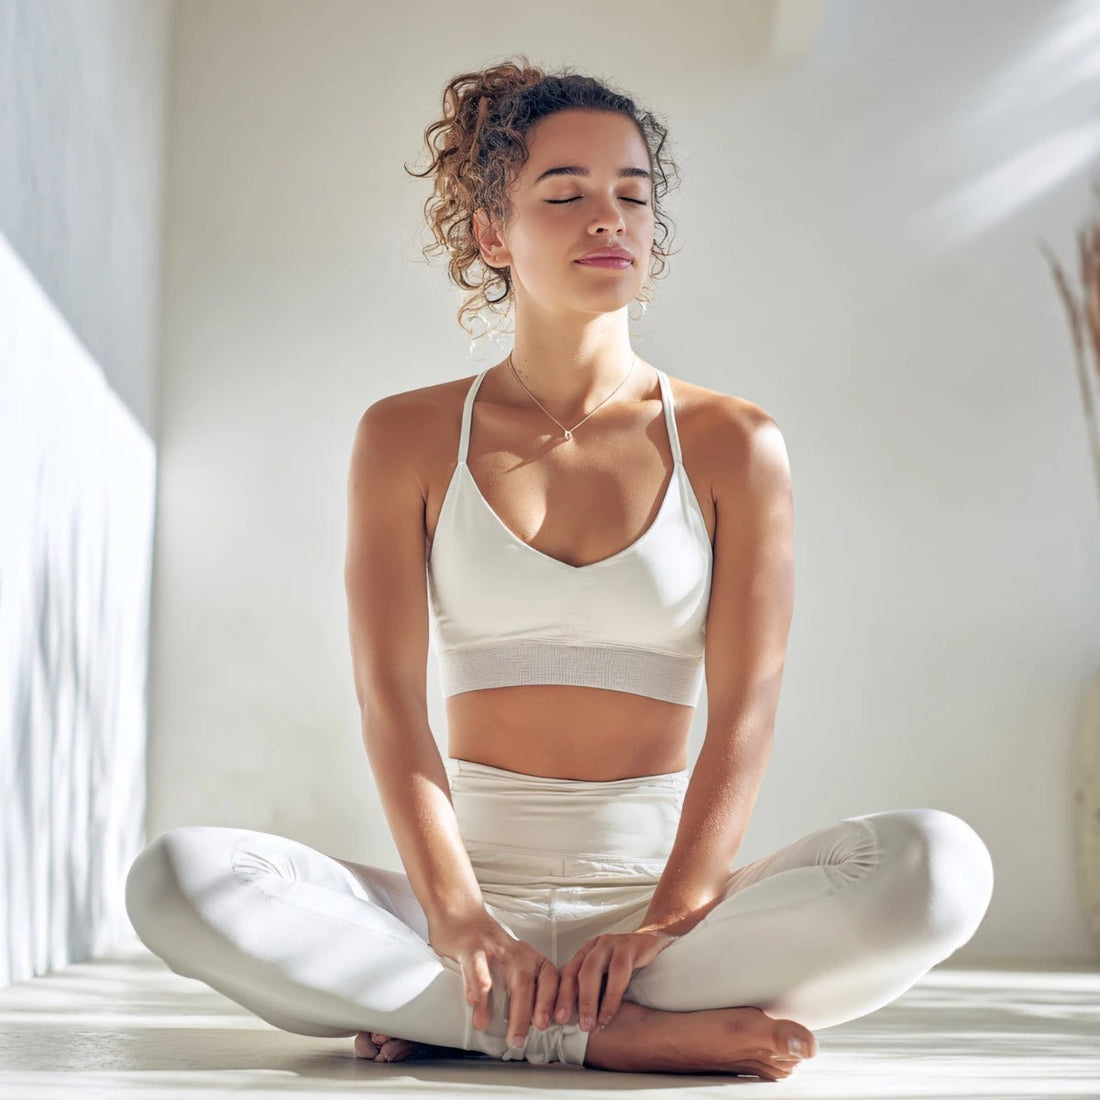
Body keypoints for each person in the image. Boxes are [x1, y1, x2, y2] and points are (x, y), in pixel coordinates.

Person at [124, 57, 995, 1080]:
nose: (606, 219)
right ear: (491, 233)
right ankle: (599, 1031)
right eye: (565, 193)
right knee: (177, 879)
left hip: (668, 915)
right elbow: (389, 700)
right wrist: (456, 921)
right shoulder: (404, 434)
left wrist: (667, 922)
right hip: (458, 902)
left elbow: (745, 713)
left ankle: (477, 1019)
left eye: (632, 194)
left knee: (939, 865)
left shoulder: (733, 440)